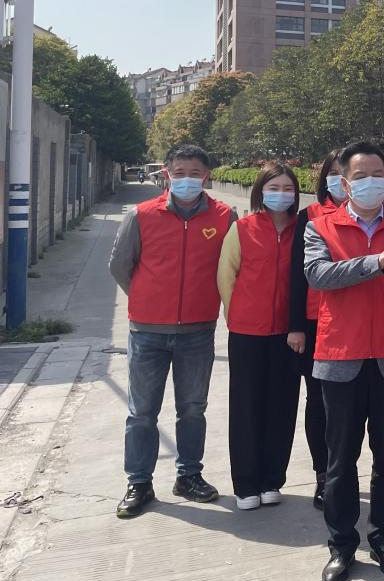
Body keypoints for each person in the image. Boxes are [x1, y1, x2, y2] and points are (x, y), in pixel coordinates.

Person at [304, 141, 384, 581]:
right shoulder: (320, 226)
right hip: (341, 358)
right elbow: (318, 275)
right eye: (361, 175)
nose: (371, 182)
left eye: (378, 174)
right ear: (345, 183)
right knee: (340, 461)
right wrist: (373, 263)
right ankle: (341, 545)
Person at [109, 144, 234, 519]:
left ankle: (189, 476)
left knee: (193, 409)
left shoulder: (225, 217)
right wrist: (147, 299)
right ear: (167, 174)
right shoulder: (141, 215)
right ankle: (139, 482)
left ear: (206, 176)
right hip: (147, 332)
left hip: (197, 331)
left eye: (195, 173)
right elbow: (120, 265)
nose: (186, 179)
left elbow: (231, 267)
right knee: (142, 412)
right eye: (179, 173)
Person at [218, 162, 302, 511]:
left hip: (289, 334)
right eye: (273, 187)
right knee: (246, 407)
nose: (281, 194)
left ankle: (272, 480)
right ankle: (246, 484)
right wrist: (237, 315)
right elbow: (227, 277)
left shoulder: (304, 230)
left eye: (287, 188)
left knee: (282, 406)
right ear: (260, 191)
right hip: (246, 332)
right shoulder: (242, 229)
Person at [287, 150, 344, 510]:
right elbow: (296, 274)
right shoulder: (309, 217)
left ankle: (347, 472)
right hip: (314, 321)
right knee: (318, 401)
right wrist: (296, 326)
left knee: (351, 406)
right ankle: (324, 476)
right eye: (335, 172)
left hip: (354, 321)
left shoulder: (375, 215)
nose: (342, 179)